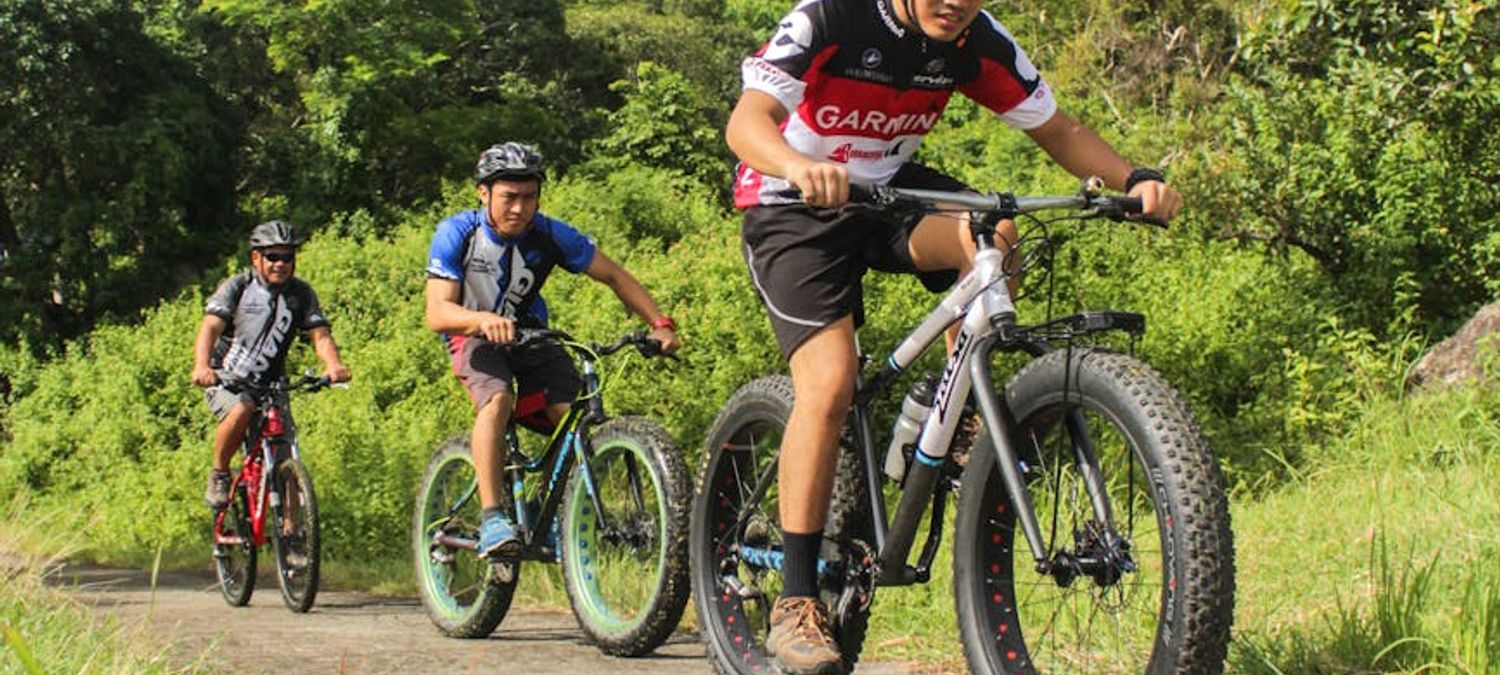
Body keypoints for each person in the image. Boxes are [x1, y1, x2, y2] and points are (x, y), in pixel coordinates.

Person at [725, 0, 1184, 671]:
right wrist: (796, 165)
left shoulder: (977, 40)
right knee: (829, 386)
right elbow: (747, 121)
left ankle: (954, 411)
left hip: (887, 194)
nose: (953, 2)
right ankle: (795, 600)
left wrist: (1135, 179)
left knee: (995, 236)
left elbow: (1059, 129)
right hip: (792, 205)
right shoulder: (830, 18)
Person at [424, 141, 681, 561]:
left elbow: (614, 275)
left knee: (571, 414)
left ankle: (558, 513)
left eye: (529, 197)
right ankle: (491, 518)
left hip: (530, 334)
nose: (519, 208)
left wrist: (659, 323)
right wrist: (481, 320)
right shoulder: (458, 233)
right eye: (509, 197)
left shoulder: (548, 234)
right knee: (498, 399)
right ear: (483, 193)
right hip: (469, 332)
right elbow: (438, 312)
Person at [193, 220, 352, 511]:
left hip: (272, 384)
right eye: (272, 256)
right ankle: (220, 473)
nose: (280, 263)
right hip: (228, 379)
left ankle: (294, 540)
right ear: (256, 258)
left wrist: (334, 364)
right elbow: (210, 328)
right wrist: (202, 366)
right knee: (241, 409)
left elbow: (320, 336)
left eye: (287, 257)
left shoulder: (301, 294)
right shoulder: (238, 287)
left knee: (285, 452)